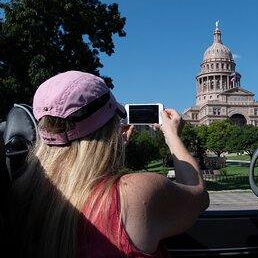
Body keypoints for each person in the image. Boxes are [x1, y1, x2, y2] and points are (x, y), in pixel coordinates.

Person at [8, 70, 209, 258]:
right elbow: (198, 195)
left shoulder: (20, 190)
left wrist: (113, 149)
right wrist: (172, 136)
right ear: (110, 127)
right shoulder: (135, 193)